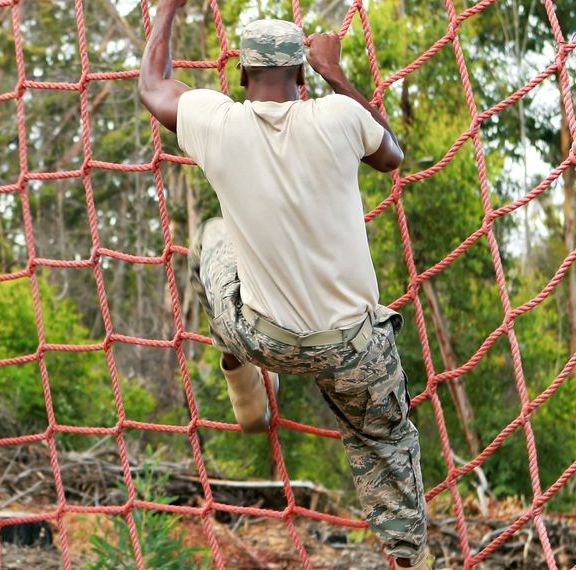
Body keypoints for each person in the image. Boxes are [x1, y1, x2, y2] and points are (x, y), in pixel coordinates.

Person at [138, 3, 429, 569]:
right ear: (301, 75)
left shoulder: (218, 122)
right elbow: (392, 156)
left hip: (262, 337)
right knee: (386, 444)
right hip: (351, 350)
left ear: (242, 77)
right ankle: (408, 559)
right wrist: (337, 74)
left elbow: (153, 85)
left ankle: (242, 381)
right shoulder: (340, 116)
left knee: (213, 235)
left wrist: (169, 7)